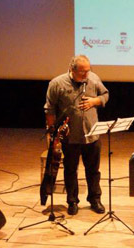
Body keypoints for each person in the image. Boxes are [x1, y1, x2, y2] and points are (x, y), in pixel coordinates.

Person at [44, 55, 109, 216]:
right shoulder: (57, 83)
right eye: (82, 72)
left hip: (91, 135)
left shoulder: (93, 79)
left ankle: (95, 199)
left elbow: (105, 95)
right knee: (70, 169)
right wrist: (52, 131)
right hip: (69, 136)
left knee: (93, 169)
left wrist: (95, 101)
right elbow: (49, 108)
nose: (86, 75)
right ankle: (72, 201)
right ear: (72, 70)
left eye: (88, 70)